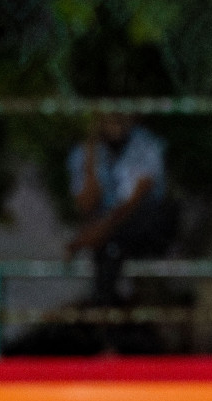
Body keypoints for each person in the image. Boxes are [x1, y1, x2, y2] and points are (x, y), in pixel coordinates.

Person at [66, 114, 175, 305]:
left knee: (113, 239)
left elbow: (133, 203)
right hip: (109, 233)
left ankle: (108, 304)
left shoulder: (145, 144)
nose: (114, 123)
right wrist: (91, 157)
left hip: (145, 224)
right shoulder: (85, 151)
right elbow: (87, 205)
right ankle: (106, 307)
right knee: (109, 248)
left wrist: (84, 240)